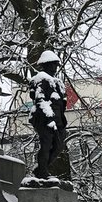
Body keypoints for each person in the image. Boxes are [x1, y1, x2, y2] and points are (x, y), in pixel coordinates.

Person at [28, 50, 67, 179]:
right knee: (46, 144)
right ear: (47, 64)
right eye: (53, 64)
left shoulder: (58, 82)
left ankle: (40, 168)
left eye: (56, 65)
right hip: (44, 118)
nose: (55, 67)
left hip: (58, 119)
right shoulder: (41, 79)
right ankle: (43, 171)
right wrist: (49, 118)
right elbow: (40, 99)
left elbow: (62, 101)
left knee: (59, 146)